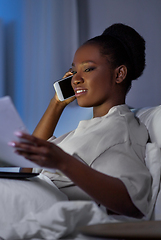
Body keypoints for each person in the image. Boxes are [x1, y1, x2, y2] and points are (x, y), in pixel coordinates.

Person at [9, 23, 151, 219]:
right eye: (73, 71)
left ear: (119, 74)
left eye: (89, 69)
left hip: (33, 208)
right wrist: (56, 104)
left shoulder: (120, 130)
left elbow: (134, 205)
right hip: (22, 199)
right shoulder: (87, 129)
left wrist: (63, 162)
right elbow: (26, 169)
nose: (76, 79)